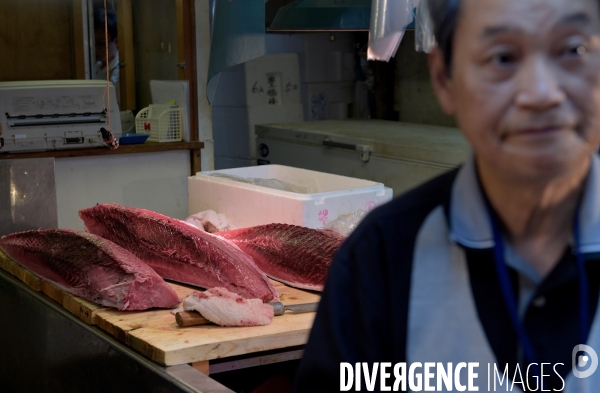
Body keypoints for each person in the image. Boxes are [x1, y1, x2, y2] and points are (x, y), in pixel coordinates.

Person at [294, 0, 600, 391]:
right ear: (444, 78)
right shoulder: (382, 258)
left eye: (573, 50)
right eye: (503, 57)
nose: (541, 93)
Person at [94, 7, 120, 105]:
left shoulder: (119, 74)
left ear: (117, 42)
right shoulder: (96, 67)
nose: (96, 49)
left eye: (101, 43)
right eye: (93, 44)